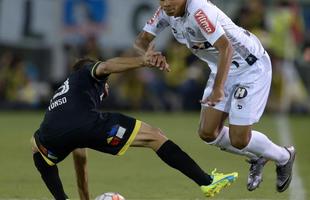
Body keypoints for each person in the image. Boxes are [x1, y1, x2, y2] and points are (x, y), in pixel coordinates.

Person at [30, 43, 238, 200]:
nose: (108, 87)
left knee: (37, 147)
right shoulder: (87, 72)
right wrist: (143, 61)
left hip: (50, 134)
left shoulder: (65, 94)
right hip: (87, 124)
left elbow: (79, 155)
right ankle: (207, 182)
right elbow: (108, 66)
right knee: (154, 137)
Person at [134, 0, 296, 192]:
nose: (166, 3)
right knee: (208, 133)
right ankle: (258, 154)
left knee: (240, 140)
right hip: (222, 67)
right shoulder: (165, 11)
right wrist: (149, 55)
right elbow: (141, 41)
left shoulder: (199, 11)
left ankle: (284, 156)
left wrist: (218, 88)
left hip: (250, 66)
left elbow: (226, 48)